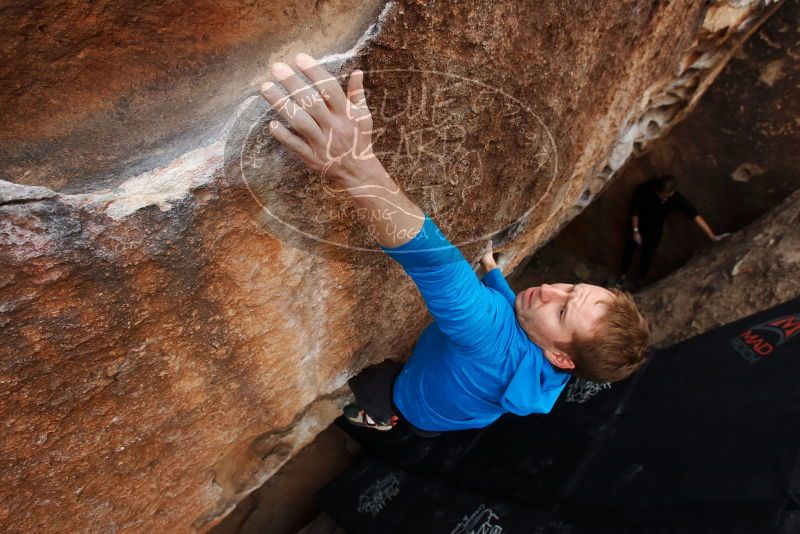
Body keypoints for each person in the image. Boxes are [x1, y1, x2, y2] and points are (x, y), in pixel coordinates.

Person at [260, 54, 651, 434]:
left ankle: (379, 415)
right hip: (459, 416)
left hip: (413, 399)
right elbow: (514, 314)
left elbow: (437, 265)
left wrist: (356, 167)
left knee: (374, 384)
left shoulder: (492, 342)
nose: (549, 289)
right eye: (570, 288)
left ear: (560, 357)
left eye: (563, 311)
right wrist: (494, 272)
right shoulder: (561, 363)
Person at [618, 175, 728, 287]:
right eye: (662, 197)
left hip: (655, 228)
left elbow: (694, 215)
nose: (665, 199)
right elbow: (634, 211)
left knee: (648, 255)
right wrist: (635, 231)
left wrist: (712, 236)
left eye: (667, 197)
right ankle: (621, 278)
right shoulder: (644, 188)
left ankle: (640, 282)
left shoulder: (675, 198)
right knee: (629, 250)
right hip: (637, 224)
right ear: (656, 190)